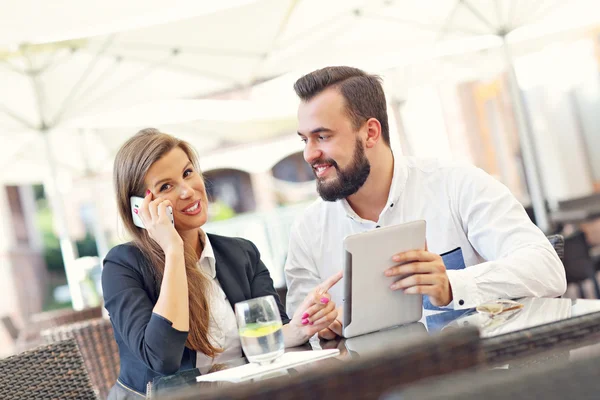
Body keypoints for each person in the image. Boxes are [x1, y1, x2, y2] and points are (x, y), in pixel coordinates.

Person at [284, 66, 566, 339]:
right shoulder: (308, 231)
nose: (309, 154)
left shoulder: (454, 183)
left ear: (370, 132)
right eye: (304, 140)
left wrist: (452, 285)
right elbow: (301, 331)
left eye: (322, 136)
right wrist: (318, 330)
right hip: (374, 383)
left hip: (476, 375)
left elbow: (547, 270)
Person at [102, 128, 340, 399]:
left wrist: (298, 329)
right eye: (165, 187)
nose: (187, 191)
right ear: (139, 209)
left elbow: (270, 334)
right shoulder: (122, 267)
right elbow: (163, 359)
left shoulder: (241, 253)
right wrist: (173, 250)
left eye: (188, 173)